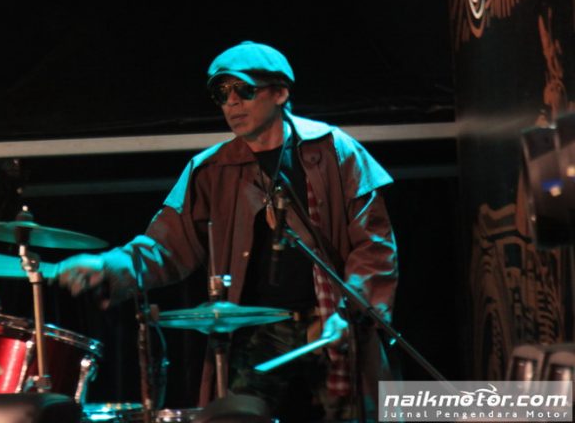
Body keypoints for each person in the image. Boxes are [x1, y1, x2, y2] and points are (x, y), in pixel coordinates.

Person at [57, 41, 398, 422]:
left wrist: (351, 312)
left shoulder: (336, 151)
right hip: (256, 332)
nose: (231, 103)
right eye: (221, 93)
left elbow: (374, 247)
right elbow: (165, 245)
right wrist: (108, 266)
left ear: (280, 93)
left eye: (244, 90)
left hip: (330, 323)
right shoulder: (210, 169)